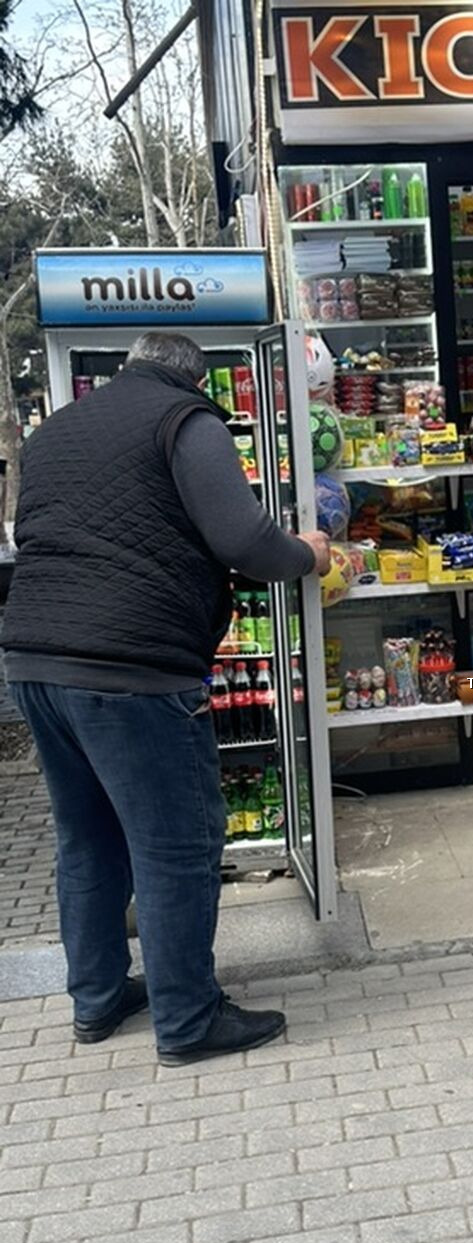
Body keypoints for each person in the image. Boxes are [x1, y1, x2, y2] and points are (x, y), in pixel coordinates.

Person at [1, 332, 331, 1065]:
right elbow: (243, 538)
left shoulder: (57, 428)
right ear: (194, 378)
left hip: (33, 661)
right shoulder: (185, 420)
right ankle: (187, 1019)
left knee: (87, 838)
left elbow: (34, 534)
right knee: (176, 846)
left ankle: (97, 998)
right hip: (131, 668)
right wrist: (307, 553)